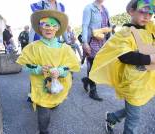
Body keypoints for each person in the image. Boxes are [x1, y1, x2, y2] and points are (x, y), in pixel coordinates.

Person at [89, 0, 155, 133]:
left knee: (135, 108)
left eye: (151, 13)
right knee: (134, 117)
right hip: (133, 83)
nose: (147, 16)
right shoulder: (125, 32)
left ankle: (112, 117)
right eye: (143, 11)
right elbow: (124, 56)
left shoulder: (149, 29)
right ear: (131, 11)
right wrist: (151, 58)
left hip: (146, 80)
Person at [16, 10, 80, 134]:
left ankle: (54, 105)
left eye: (53, 25)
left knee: (54, 103)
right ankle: (43, 131)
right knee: (44, 112)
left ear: (58, 28)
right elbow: (24, 65)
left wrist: (61, 71)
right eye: (46, 25)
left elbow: (72, 65)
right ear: (40, 27)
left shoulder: (65, 48)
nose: (49, 28)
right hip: (41, 87)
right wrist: (38, 69)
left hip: (59, 86)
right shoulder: (33, 47)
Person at [81, 0, 111, 101]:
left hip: (103, 41)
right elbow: (85, 26)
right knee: (93, 64)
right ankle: (93, 91)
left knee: (99, 66)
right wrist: (84, 42)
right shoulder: (89, 8)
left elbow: (107, 26)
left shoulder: (106, 9)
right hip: (92, 41)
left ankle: (86, 80)